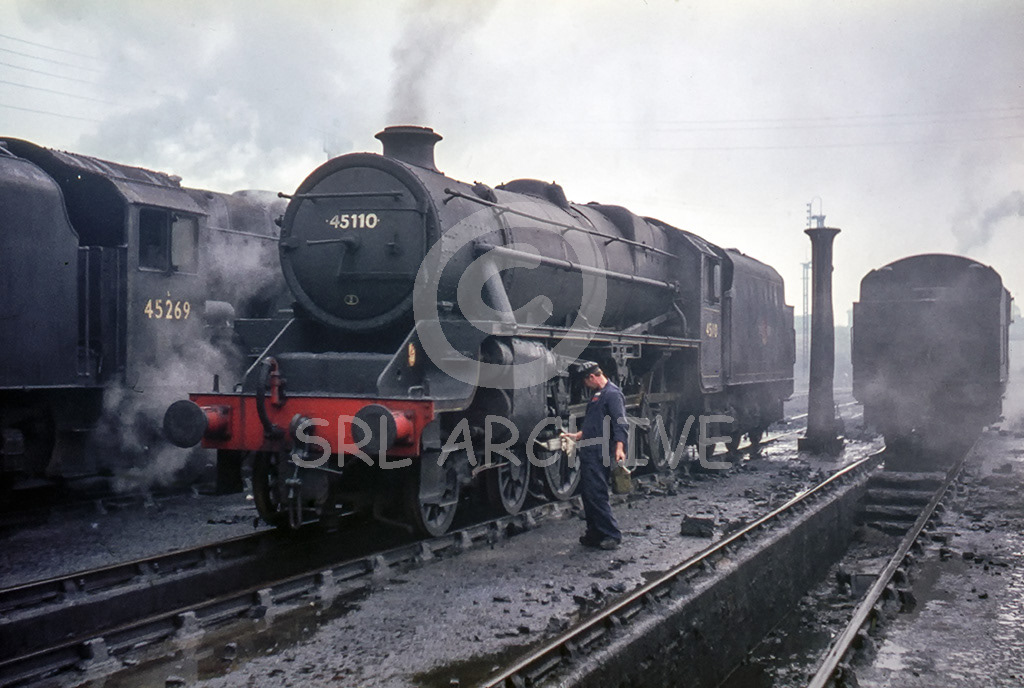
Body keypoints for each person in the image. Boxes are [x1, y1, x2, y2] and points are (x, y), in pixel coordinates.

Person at [562, 361, 627, 550]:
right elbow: (593, 424)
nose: (585, 386)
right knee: (588, 494)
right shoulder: (598, 395)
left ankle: (611, 534)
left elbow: (620, 423)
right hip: (590, 450)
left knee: (597, 494)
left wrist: (620, 447)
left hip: (601, 451)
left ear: (592, 377)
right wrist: (576, 435)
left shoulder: (613, 394)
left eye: (585, 381)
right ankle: (594, 533)